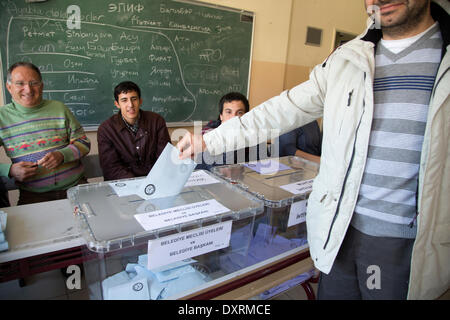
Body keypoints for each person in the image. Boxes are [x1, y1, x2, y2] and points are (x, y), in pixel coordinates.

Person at [177, 0, 449, 300]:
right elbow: (281, 109)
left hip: (401, 242)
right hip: (337, 230)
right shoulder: (347, 58)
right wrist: (210, 140)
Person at [0, 62, 91, 205]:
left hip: (76, 187)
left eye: (33, 83)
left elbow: (84, 143)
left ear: (42, 85)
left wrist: (62, 155)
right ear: (9, 87)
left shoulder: (59, 109)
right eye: (20, 83)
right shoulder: (2, 117)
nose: (28, 89)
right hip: (33, 195)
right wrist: (9, 170)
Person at [97, 81, 171, 181]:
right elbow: (111, 168)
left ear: (140, 101)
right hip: (124, 184)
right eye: (124, 100)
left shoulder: (156, 121)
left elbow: (164, 158)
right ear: (117, 104)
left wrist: (151, 182)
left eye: (134, 99)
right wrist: (137, 184)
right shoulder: (106, 130)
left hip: (155, 181)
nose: (130, 105)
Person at [195, 92, 267, 170]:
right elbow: (219, 169)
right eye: (228, 112)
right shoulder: (207, 136)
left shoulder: (253, 134)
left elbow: (265, 164)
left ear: (246, 117)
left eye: (239, 113)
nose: (233, 118)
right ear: (221, 116)